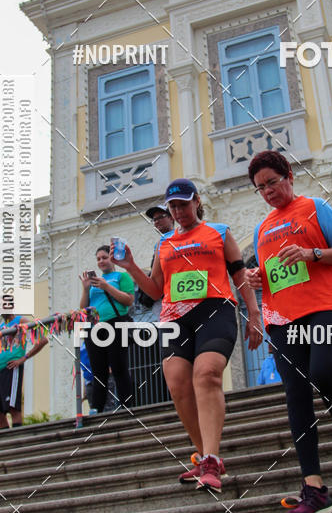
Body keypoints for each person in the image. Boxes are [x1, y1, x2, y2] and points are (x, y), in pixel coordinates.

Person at [246, 150, 332, 513]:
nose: (268, 191)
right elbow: (271, 273)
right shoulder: (261, 228)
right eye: (260, 188)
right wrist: (256, 278)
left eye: (272, 182)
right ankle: (314, 489)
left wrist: (311, 253)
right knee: (296, 394)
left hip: (325, 307)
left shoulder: (315, 207)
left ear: (289, 176)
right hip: (281, 319)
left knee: (323, 372)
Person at [113, 178, 263, 492]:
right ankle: (205, 458)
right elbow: (155, 290)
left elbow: (239, 275)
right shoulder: (164, 243)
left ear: (197, 202)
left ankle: (211, 459)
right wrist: (130, 266)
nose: (179, 211)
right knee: (178, 383)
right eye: (173, 206)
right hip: (175, 317)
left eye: (183, 204)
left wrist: (254, 314)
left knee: (206, 374)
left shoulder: (219, 232)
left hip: (214, 310)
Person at [79, 244, 135, 413]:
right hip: (95, 327)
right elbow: (83, 309)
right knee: (98, 371)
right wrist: (86, 289)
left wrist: (107, 287)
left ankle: (126, 406)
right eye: (98, 259)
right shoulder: (94, 283)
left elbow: (129, 300)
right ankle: (97, 408)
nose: (101, 261)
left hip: (116, 323)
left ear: (112, 258)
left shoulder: (121, 276)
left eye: (104, 258)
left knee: (119, 367)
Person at [0, 314, 48, 429]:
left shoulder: (20, 320)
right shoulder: (1, 326)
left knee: (13, 407)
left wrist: (23, 358)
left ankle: (17, 436)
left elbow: (43, 340)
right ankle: (5, 438)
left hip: (11, 368)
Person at [137, 204, 175, 319]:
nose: (157, 221)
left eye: (161, 217)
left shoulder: (180, 237)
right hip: (163, 297)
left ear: (171, 218)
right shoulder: (159, 244)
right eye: (154, 219)